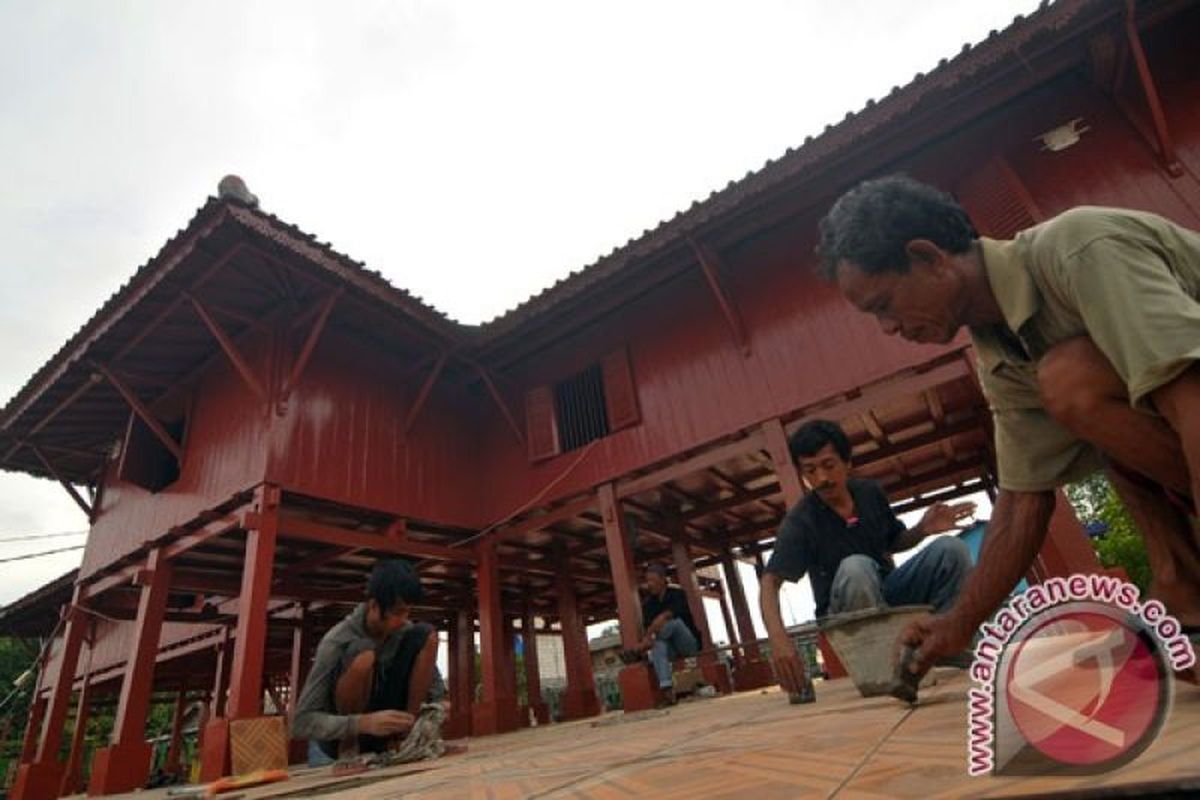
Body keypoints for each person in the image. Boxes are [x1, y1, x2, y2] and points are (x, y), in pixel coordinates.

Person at [817, 175, 1200, 677]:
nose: (887, 328)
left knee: (1073, 377)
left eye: (883, 305)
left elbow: (1191, 399)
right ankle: (1182, 594)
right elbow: (1023, 499)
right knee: (1074, 391)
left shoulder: (1079, 250)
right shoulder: (1001, 354)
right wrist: (958, 622)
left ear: (929, 257)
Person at [760, 419, 975, 702]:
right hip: (844, 616)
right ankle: (886, 668)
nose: (822, 478)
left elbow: (894, 541)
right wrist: (779, 641)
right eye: (810, 471)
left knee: (951, 549)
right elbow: (770, 581)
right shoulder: (801, 520)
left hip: (886, 594)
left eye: (828, 465)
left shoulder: (869, 493)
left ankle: (944, 646)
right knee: (856, 567)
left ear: (847, 462)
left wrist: (923, 529)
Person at [292, 559, 442, 765]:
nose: (403, 619)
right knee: (363, 653)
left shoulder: (403, 631)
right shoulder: (336, 640)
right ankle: (349, 747)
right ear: (373, 606)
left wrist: (439, 707)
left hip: (386, 730)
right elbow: (301, 722)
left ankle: (409, 734)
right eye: (397, 612)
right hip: (342, 735)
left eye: (408, 611)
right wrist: (361, 723)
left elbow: (436, 689)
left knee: (427, 634)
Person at [623, 563, 702, 706]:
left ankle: (640, 648)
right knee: (657, 644)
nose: (650, 584)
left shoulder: (678, 594)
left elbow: (669, 615)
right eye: (648, 581)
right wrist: (652, 633)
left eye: (653, 580)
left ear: (663, 579)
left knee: (674, 623)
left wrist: (658, 622)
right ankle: (667, 690)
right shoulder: (648, 604)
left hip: (687, 645)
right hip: (669, 650)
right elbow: (649, 629)